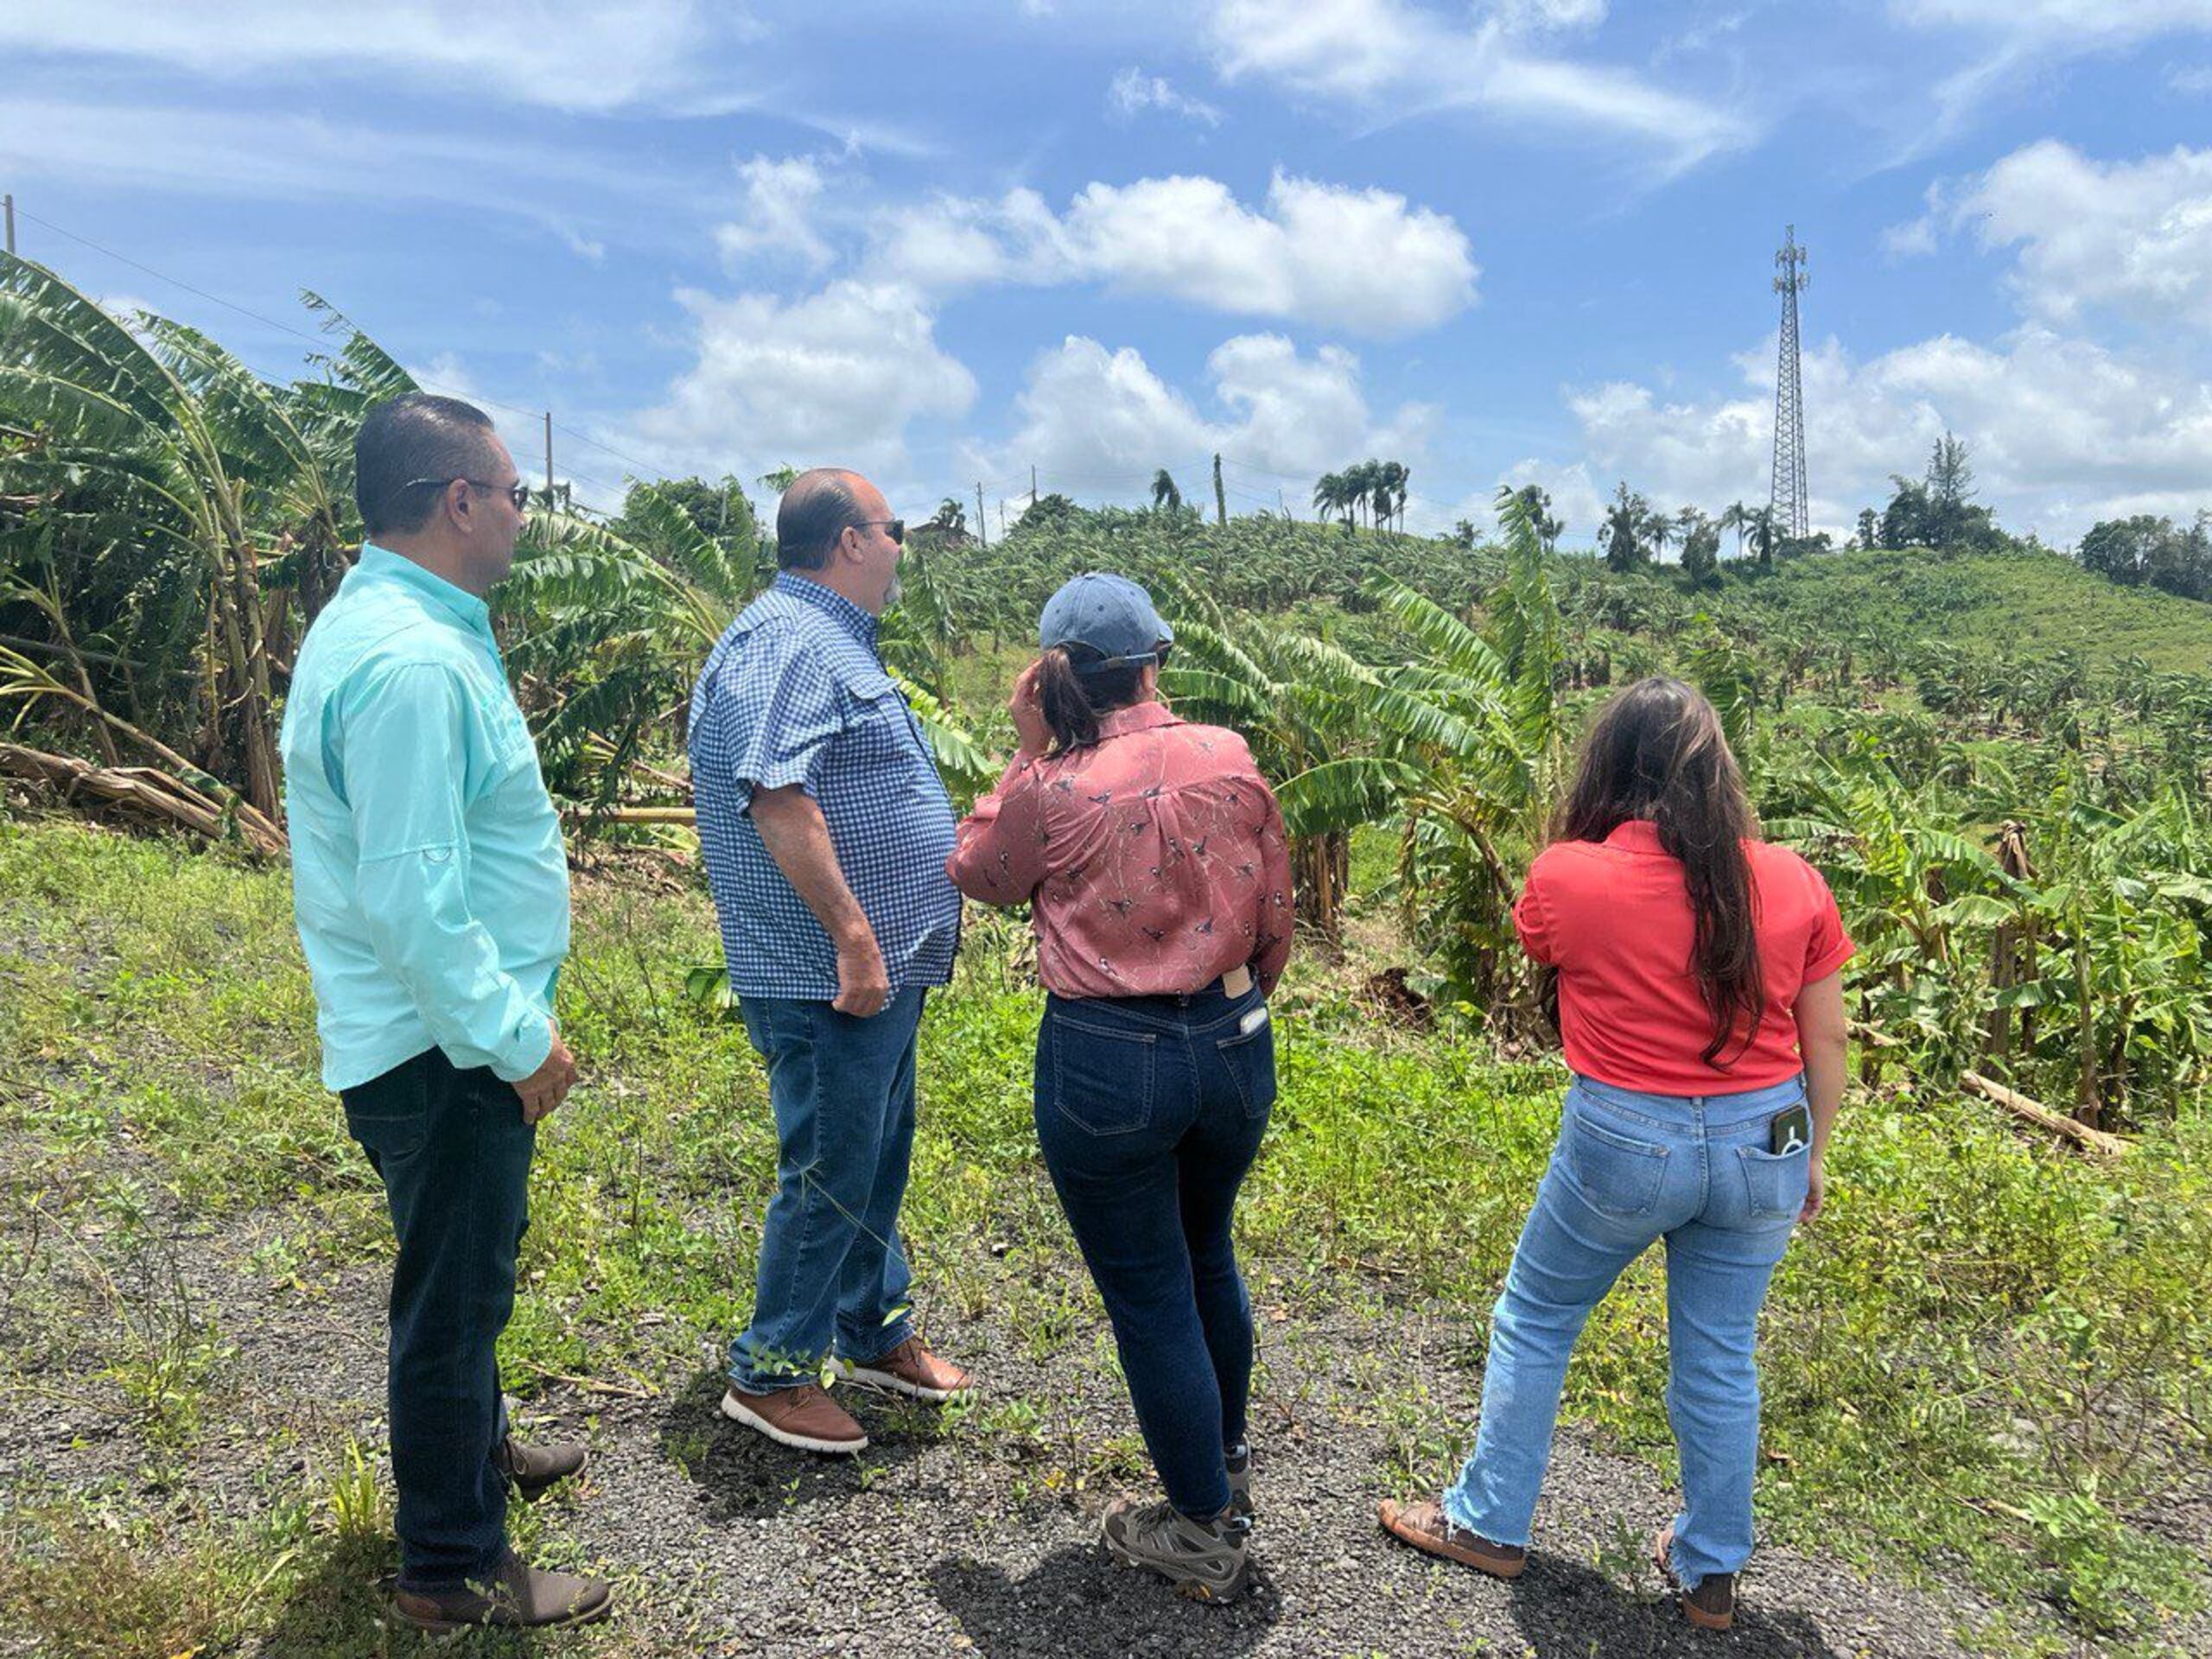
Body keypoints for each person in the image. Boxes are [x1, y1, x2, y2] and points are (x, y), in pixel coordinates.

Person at [1378, 677, 1853, 1631]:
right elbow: (1827, 1039)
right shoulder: (1792, 877)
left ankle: (1488, 1523)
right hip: (1767, 1135)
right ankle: (1711, 1571)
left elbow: (1541, 952)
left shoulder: (1567, 873)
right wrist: (1814, 1155)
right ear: (1717, 774)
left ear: (1609, 767)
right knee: (1718, 1358)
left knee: (1538, 1315)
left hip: (1627, 1137)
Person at [280, 395, 609, 1632]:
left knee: (467, 1280)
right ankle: (453, 1566)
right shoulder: (412, 664)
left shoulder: (391, 624)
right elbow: (414, 896)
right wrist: (520, 1043)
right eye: (517, 494)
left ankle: (481, 1452)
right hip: (446, 1047)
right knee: (453, 1300)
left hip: (433, 1035)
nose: (525, 515)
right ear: (460, 500)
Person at [948, 574, 1294, 1603]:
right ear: (1156, 660)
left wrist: (1022, 748)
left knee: (1149, 1294)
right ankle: (1221, 1462)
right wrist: (1233, 1005)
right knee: (1205, 1254)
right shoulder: (1231, 758)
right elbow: (1277, 914)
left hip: (1107, 1054)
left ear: (1054, 676)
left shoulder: (1053, 788)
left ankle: (1199, 1527)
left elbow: (978, 870)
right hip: (1234, 1039)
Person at [690, 467, 971, 1456]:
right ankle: (770, 1371)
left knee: (874, 1150)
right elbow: (774, 793)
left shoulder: (821, 639)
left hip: (875, 969)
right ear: (850, 540)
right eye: (895, 530)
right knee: (831, 1165)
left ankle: (870, 1325)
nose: (902, 548)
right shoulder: (790, 640)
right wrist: (852, 935)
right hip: (828, 973)